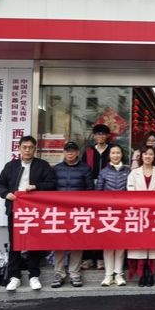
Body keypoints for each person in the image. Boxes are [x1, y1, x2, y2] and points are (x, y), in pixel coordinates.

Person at [0, 135, 56, 292]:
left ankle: (34, 276)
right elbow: (0, 185)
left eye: (30, 147)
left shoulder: (42, 166)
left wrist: (36, 187)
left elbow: (52, 184)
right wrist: (6, 194)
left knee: (34, 243)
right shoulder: (11, 166)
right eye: (24, 147)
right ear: (19, 149)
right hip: (15, 209)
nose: (27, 150)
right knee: (15, 242)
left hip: (35, 211)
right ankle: (14, 277)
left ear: (35, 149)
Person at [51, 141, 93, 288]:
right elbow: (51, 189)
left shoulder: (85, 168)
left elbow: (90, 190)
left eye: (73, 150)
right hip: (60, 211)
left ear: (77, 153)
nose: (70, 153)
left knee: (77, 242)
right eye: (67, 150)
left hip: (78, 212)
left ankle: (74, 273)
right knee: (59, 242)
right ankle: (59, 273)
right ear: (64, 152)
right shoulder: (56, 169)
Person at [127, 145, 155, 287]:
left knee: (153, 245)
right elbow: (130, 191)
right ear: (141, 156)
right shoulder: (134, 173)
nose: (148, 157)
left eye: (151, 154)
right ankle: (141, 274)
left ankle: (150, 273)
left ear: (154, 157)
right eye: (145, 154)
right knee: (139, 245)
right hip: (138, 214)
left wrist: (151, 203)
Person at [96, 144, 131, 287]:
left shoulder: (128, 171)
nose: (115, 155)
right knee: (108, 245)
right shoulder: (103, 172)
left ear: (122, 155)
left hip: (123, 213)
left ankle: (119, 274)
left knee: (121, 245)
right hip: (108, 213)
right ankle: (108, 275)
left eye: (118, 153)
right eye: (113, 153)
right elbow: (98, 192)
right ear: (109, 155)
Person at [82, 123, 111, 270]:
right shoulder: (88, 151)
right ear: (94, 136)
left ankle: (100, 258)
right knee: (88, 223)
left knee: (103, 224)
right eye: (98, 134)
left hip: (107, 190)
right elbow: (82, 169)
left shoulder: (112, 150)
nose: (100, 136)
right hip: (90, 189)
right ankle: (88, 258)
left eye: (103, 134)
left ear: (107, 136)